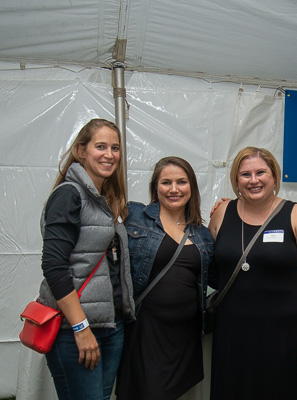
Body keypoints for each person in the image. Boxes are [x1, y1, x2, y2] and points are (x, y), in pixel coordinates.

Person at [208, 147, 297, 400]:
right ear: (236, 181)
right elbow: (207, 264)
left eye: (261, 172)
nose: (254, 180)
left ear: (274, 176)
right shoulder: (222, 212)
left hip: (285, 337)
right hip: (233, 336)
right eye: (245, 175)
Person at [37, 118, 135, 400]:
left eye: (115, 148)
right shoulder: (69, 195)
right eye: (100, 146)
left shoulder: (105, 199)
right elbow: (54, 267)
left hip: (110, 326)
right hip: (75, 330)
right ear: (81, 151)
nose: (109, 154)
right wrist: (81, 329)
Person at [116, 156, 214, 400]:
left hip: (184, 335)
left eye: (181, 182)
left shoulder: (202, 233)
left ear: (191, 187)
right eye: (166, 182)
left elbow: (214, 276)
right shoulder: (133, 215)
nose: (173, 189)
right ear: (155, 187)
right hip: (145, 330)